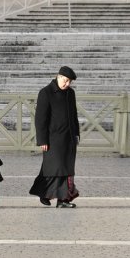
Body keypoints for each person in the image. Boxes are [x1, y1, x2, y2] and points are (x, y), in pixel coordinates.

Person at [29, 66, 80, 208]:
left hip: (69, 138)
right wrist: (42, 140)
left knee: (63, 167)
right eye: (66, 80)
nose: (67, 84)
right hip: (53, 139)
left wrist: (76, 133)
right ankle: (62, 199)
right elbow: (40, 119)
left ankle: (48, 194)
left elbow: (74, 115)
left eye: (70, 82)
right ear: (58, 76)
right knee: (57, 168)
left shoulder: (71, 93)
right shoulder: (45, 93)